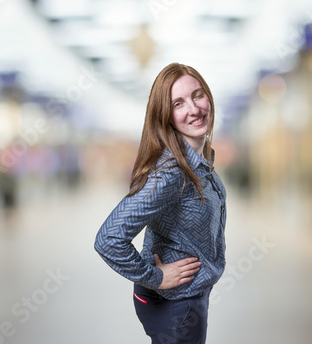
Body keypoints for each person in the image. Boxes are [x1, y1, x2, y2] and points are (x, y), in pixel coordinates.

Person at [94, 63, 227, 343]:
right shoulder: (170, 173)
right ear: (165, 116)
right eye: (178, 103)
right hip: (176, 303)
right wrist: (155, 276)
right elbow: (108, 238)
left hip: (187, 299)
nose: (194, 109)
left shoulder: (198, 162)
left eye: (198, 95)